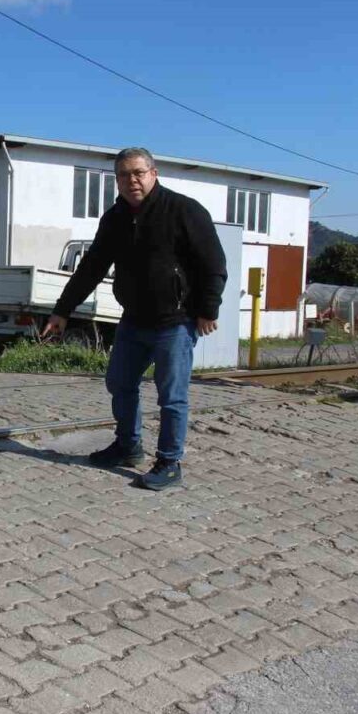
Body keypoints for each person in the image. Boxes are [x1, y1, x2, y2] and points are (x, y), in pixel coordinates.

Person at [41, 148, 227, 491]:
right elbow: (91, 268)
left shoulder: (184, 210)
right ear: (117, 180)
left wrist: (208, 309)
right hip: (134, 321)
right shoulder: (115, 218)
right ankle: (128, 447)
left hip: (176, 322)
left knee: (171, 396)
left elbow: (213, 264)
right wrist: (62, 310)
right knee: (120, 384)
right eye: (124, 175)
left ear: (153, 173)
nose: (132, 180)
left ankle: (169, 463)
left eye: (139, 173)